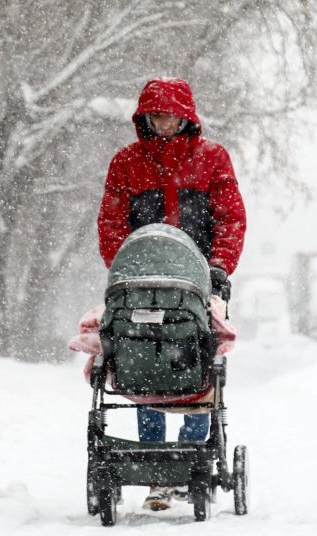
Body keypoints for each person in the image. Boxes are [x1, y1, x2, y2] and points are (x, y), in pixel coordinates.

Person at [97, 77, 246, 511]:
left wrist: (219, 264)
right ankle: (156, 463)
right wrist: (124, 265)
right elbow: (111, 223)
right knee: (142, 361)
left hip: (197, 285)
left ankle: (189, 454)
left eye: (169, 114)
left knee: (198, 358)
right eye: (155, 115)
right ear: (144, 118)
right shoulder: (127, 164)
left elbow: (230, 217)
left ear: (186, 116)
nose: (162, 122)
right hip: (141, 286)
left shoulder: (212, 160)